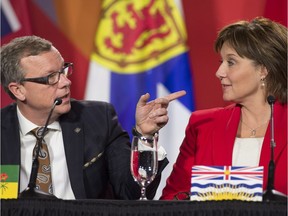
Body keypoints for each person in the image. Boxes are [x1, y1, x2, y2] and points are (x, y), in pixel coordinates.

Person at [0, 35, 186, 200]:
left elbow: (132, 193)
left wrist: (145, 138)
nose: (66, 82)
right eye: (51, 77)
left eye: (64, 70)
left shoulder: (97, 119)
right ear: (18, 90)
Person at [160, 17, 287, 200]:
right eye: (221, 61)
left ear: (263, 70)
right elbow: (173, 200)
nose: (219, 72)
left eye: (231, 62)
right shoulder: (203, 126)